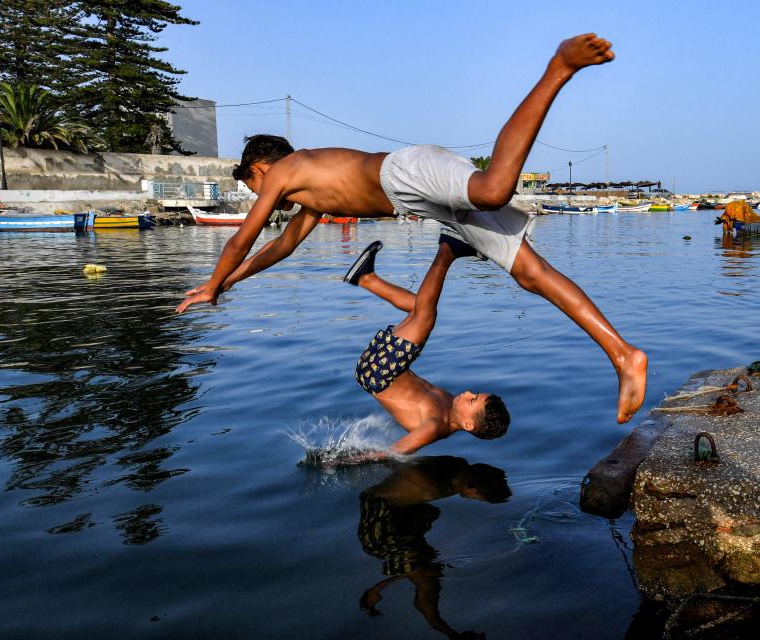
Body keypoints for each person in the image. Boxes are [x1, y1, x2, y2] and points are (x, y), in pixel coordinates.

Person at [177, 33, 647, 424]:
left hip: (404, 173)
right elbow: (280, 246)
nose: (258, 191)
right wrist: (227, 285)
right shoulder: (308, 197)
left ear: (261, 166)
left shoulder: (285, 170)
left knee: (493, 190)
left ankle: (558, 67)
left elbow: (244, 237)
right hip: (421, 202)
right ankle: (623, 355)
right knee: (529, 273)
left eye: (252, 180)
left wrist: (214, 284)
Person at [346, 232, 510, 457]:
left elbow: (395, 452)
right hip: (385, 369)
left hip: (381, 374)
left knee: (426, 316)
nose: (469, 392)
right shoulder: (452, 407)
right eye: (477, 393)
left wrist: (340, 461)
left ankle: (448, 250)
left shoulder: (435, 426)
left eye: (473, 399)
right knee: (421, 305)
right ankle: (366, 278)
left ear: (469, 424)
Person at [356, 455, 510, 639]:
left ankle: (382, 589)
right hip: (379, 530)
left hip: (391, 512)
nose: (473, 499)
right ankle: (440, 626)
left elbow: (401, 462)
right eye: (476, 498)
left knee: (426, 566)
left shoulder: (458, 464)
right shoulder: (432, 489)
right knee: (427, 574)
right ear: (472, 488)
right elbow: (392, 485)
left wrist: (367, 457)